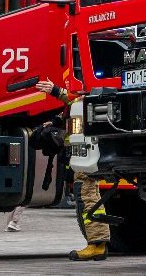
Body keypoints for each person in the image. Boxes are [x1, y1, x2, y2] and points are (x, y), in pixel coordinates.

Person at [35, 78, 108, 261]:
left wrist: (56, 91)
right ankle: (97, 243)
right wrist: (57, 121)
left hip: (87, 151)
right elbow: (72, 110)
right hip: (81, 152)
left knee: (87, 194)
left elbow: (78, 102)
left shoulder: (87, 92)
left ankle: (97, 244)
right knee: (86, 194)